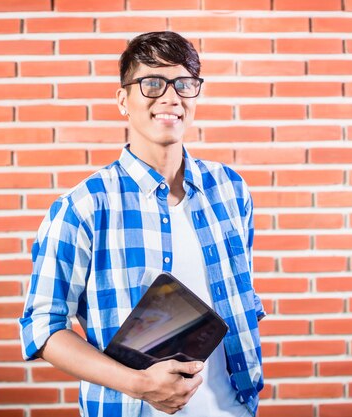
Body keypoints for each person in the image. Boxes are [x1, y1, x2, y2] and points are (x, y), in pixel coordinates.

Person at [19, 31, 265, 417]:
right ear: (123, 101)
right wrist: (139, 384)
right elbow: (43, 329)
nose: (170, 97)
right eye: (152, 83)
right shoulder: (83, 207)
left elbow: (242, 303)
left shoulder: (231, 191)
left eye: (184, 84)